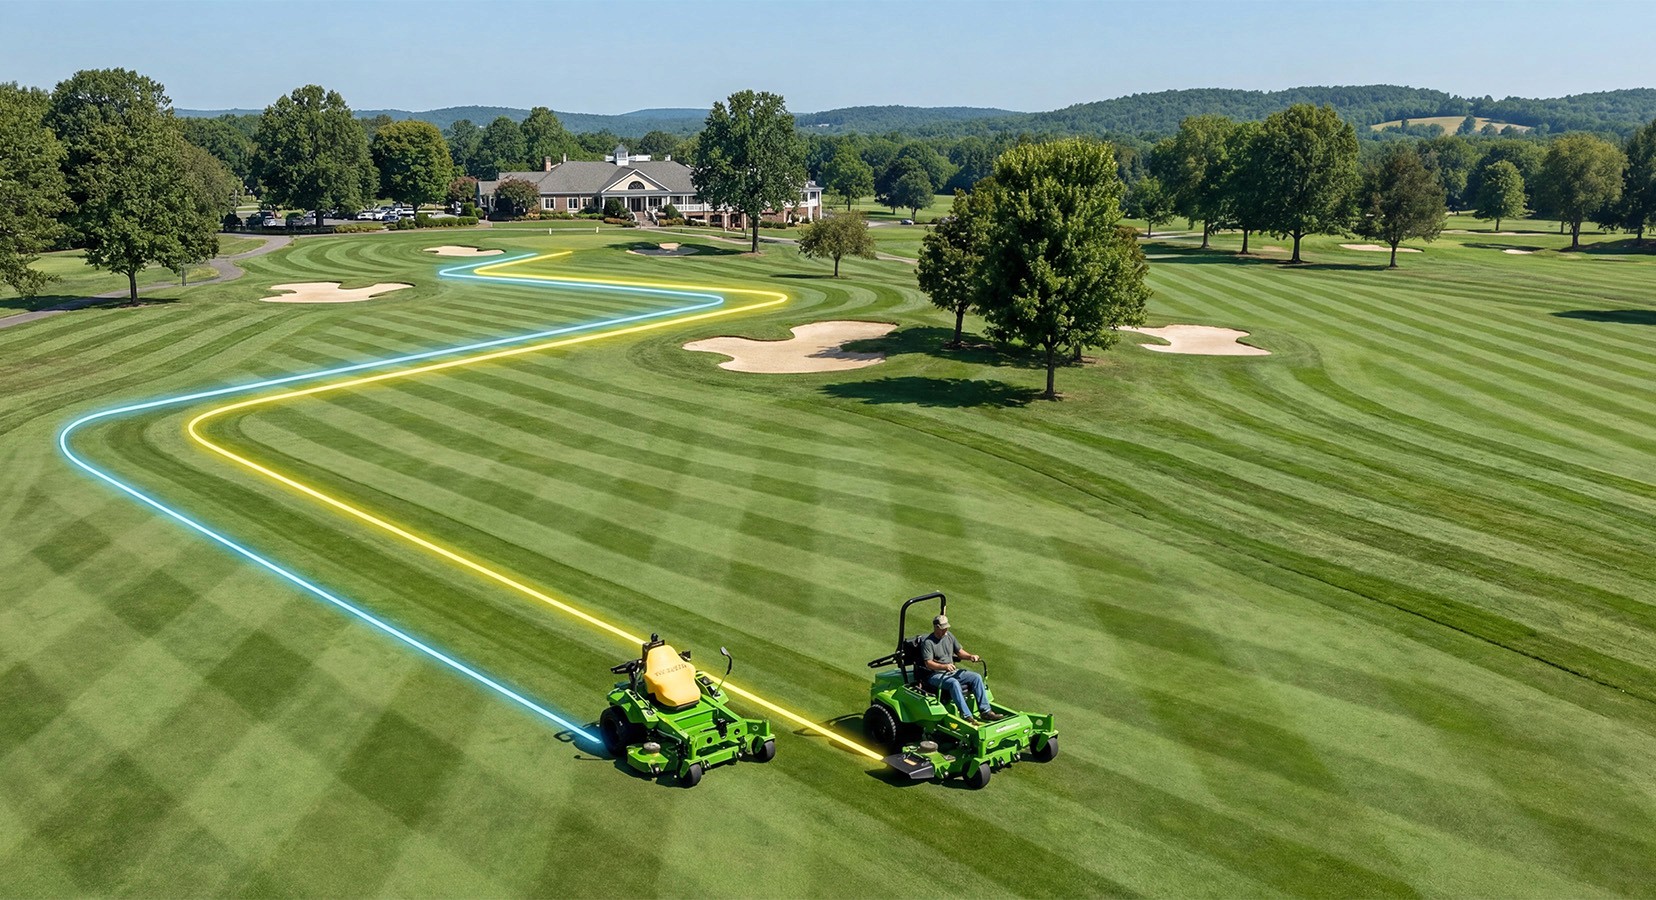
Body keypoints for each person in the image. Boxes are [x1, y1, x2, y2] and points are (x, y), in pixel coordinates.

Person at [919, 614, 1003, 725]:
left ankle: (985, 711)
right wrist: (944, 666)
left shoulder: (949, 636)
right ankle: (967, 716)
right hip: (935, 675)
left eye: (947, 627)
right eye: (943, 628)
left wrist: (970, 656)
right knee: (953, 683)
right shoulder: (928, 643)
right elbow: (928, 663)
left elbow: (959, 652)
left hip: (951, 672)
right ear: (936, 627)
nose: (946, 630)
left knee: (976, 677)